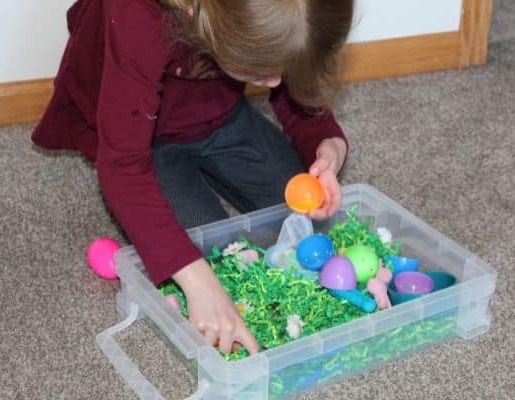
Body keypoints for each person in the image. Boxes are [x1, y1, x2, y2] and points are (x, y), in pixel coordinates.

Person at [32, 0, 354, 355]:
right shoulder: (138, 14)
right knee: (216, 259)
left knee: (307, 219)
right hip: (145, 138)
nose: (276, 83)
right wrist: (199, 281)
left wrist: (328, 146)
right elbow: (123, 165)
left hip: (221, 111)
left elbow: (297, 71)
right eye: (263, 70)